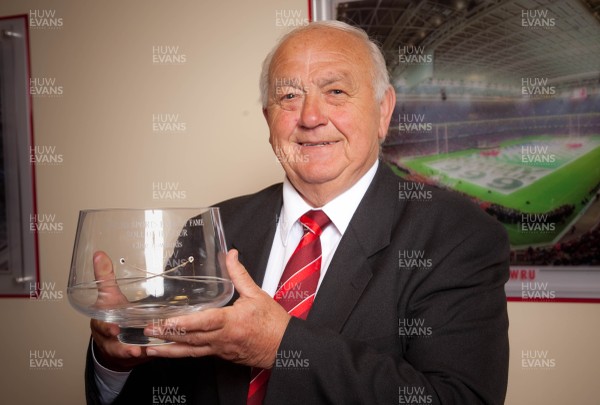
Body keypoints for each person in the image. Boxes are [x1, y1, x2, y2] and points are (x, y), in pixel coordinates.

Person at [86, 20, 509, 405]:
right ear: (269, 119)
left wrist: (282, 346)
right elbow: (164, 392)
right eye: (288, 96)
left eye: (336, 92)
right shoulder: (211, 228)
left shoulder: (456, 236)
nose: (309, 117)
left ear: (383, 111)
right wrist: (118, 361)